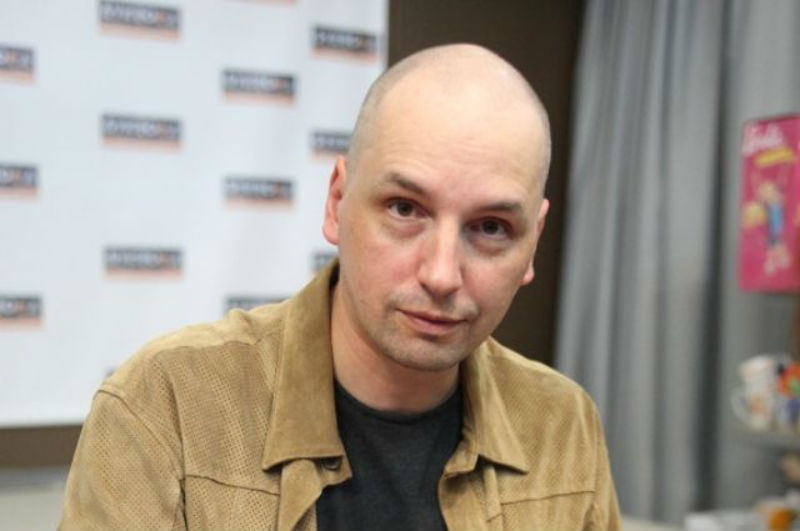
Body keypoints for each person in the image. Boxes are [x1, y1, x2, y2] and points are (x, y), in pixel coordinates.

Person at [59, 44, 620, 531]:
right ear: (336, 203)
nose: (442, 275)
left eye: (491, 228)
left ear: (532, 243)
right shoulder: (167, 407)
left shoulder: (562, 424)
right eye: (405, 209)